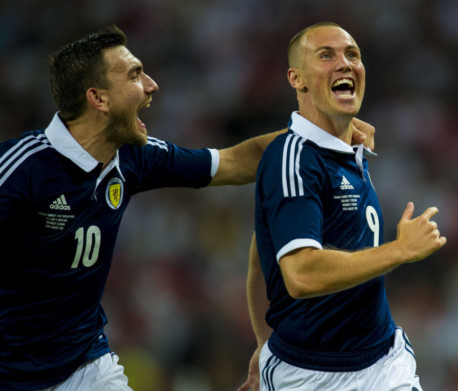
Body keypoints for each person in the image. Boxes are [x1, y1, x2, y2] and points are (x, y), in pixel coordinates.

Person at [0, 25, 374, 391]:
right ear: (98, 99)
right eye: (135, 75)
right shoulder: (22, 169)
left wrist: (325, 133)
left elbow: (233, 162)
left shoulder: (134, 158)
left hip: (85, 366)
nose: (151, 85)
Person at [240, 22, 447, 391]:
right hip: (308, 375)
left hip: (384, 362)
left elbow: (262, 253)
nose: (345, 63)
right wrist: (399, 250)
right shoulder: (293, 158)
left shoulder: (350, 147)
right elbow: (300, 273)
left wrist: (260, 342)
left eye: (352, 54)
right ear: (296, 78)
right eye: (326, 55)